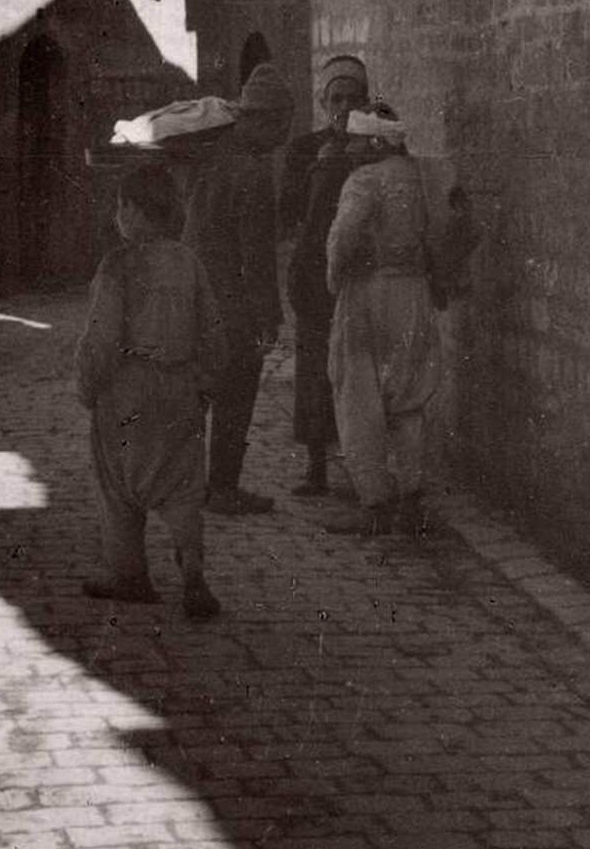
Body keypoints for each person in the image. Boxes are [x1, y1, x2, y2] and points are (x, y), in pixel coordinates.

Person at [74, 160, 224, 621]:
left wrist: (87, 385)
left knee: (118, 484)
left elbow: (101, 337)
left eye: (122, 206)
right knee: (181, 482)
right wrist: (205, 382)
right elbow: (213, 332)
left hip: (129, 387)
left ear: (138, 211)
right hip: (180, 384)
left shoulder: (118, 264)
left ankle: (131, 576)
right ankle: (192, 565)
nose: (118, 215)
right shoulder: (188, 261)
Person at [182, 61, 293, 515]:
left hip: (193, 293)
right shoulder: (252, 170)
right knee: (235, 394)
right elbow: (257, 257)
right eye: (281, 124)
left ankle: (179, 484)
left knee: (195, 394)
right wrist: (269, 317)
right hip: (229, 303)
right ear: (266, 120)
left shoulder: (215, 154)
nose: (283, 135)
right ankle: (222, 488)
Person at [324, 104, 439, 537]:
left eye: (356, 141)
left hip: (369, 297)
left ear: (374, 142)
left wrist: (335, 280)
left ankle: (374, 504)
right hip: (414, 293)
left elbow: (343, 238)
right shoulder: (419, 176)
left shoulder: (364, 181)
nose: (350, 149)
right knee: (409, 398)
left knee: (359, 399)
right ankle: (411, 499)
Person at [280, 54, 370, 495]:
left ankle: (361, 467)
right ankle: (317, 465)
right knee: (315, 370)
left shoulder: (375, 147)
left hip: (360, 274)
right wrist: (321, 169)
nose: (343, 107)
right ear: (323, 101)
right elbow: (289, 210)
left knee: (360, 371)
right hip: (315, 276)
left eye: (353, 99)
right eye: (336, 98)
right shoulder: (303, 149)